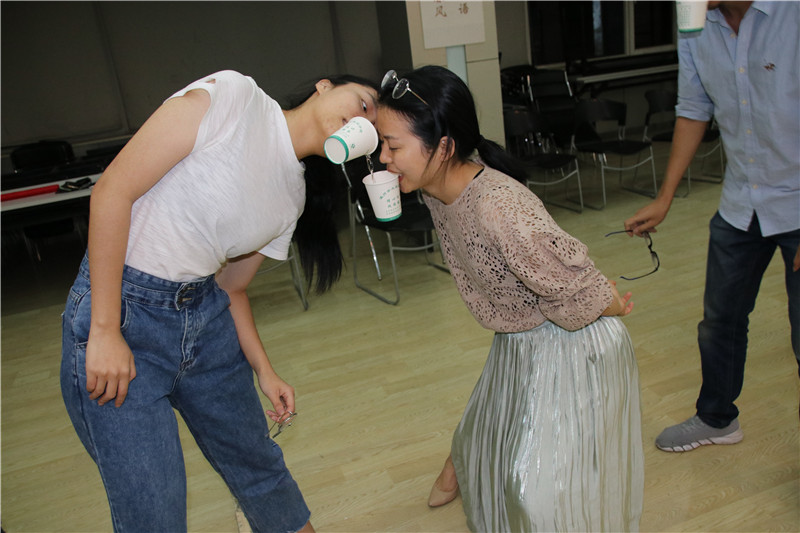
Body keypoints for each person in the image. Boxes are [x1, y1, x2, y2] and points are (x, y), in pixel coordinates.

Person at [60, 69, 378, 532]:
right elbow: (113, 190)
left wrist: (265, 371)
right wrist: (105, 329)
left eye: (371, 127)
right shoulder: (235, 95)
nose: (362, 120)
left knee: (262, 470)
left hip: (205, 319)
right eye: (363, 103)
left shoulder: (293, 197)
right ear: (325, 85)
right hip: (126, 310)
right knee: (154, 512)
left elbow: (232, 288)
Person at [376, 65, 643, 532]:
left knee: (531, 488)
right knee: (486, 427)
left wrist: (614, 305)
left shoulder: (499, 206)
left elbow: (574, 284)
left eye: (393, 146)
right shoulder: (436, 191)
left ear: (444, 146)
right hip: (521, 336)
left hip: (574, 342)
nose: (383, 158)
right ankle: (460, 464)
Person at [624, 1, 800, 452]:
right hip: (742, 201)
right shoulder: (696, 23)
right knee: (720, 321)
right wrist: (665, 197)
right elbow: (693, 108)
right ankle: (717, 418)